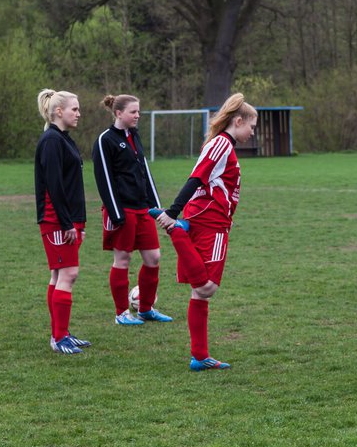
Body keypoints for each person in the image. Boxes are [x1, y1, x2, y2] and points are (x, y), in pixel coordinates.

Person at [153, 94, 258, 371]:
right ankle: (178, 232)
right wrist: (173, 215)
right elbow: (196, 178)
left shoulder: (221, 144)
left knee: (199, 294)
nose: (253, 131)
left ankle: (199, 356)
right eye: (252, 126)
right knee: (206, 287)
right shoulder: (223, 143)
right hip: (209, 221)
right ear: (238, 121)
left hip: (209, 218)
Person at [92, 94, 173, 326]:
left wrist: (156, 207)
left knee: (153, 257)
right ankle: (121, 313)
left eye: (138, 112)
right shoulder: (105, 140)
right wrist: (115, 213)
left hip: (143, 209)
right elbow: (104, 179)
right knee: (123, 259)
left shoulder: (134, 136)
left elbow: (145, 172)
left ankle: (146, 309)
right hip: (122, 210)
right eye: (133, 112)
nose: (138, 116)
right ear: (119, 113)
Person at [34, 89, 90, 355]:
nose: (78, 114)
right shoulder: (51, 141)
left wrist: (80, 222)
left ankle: (62, 332)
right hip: (57, 220)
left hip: (68, 220)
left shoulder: (64, 139)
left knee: (59, 274)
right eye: (74, 109)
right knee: (68, 273)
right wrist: (68, 223)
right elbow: (54, 186)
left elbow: (72, 186)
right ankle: (58, 338)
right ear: (59, 111)